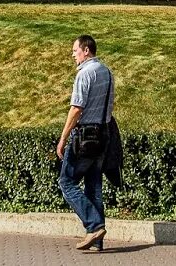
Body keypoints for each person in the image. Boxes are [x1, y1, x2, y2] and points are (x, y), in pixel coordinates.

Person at [56, 34, 118, 253]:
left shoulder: (85, 74)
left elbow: (76, 108)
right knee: (94, 188)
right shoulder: (107, 72)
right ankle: (97, 240)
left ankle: (93, 226)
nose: (73, 55)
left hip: (84, 137)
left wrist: (63, 138)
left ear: (86, 51)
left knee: (66, 182)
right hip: (104, 135)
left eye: (75, 51)